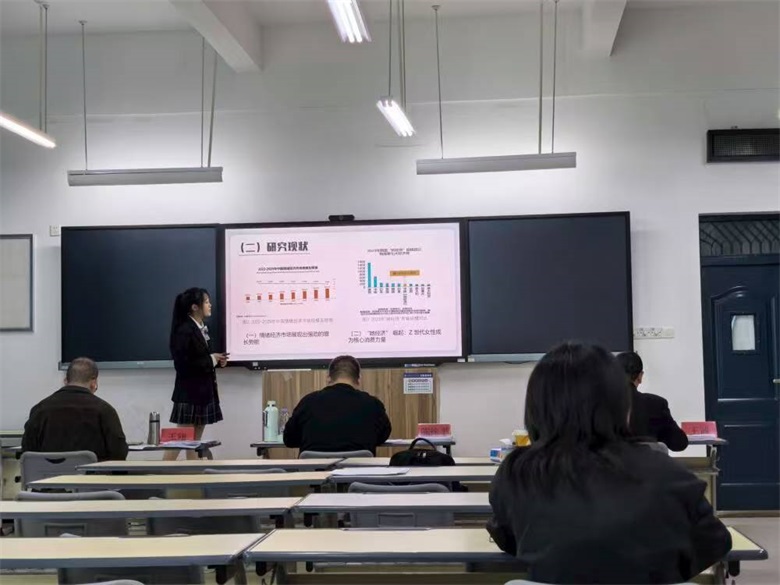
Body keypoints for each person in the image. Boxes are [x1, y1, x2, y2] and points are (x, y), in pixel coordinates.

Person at [487, 342, 731, 584]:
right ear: (620, 405)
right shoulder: (666, 473)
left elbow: (508, 539)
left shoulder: (516, 473)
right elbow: (715, 541)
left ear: (536, 407)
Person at [22, 357, 128, 461]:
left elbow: (27, 451)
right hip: (90, 473)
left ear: (65, 381)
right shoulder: (105, 410)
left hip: (47, 472)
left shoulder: (40, 409)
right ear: (94, 382)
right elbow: (119, 453)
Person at [283, 355, 392, 455]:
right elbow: (382, 436)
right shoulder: (372, 404)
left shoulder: (308, 402)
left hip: (314, 469)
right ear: (358, 379)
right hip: (360, 469)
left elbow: (289, 439)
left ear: (328, 378)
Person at [166, 287, 227, 461]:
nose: (210, 305)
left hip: (202, 392)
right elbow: (183, 364)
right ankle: (160, 471)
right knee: (182, 437)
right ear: (195, 307)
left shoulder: (199, 328)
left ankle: (194, 471)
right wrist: (211, 360)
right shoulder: (185, 330)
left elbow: (199, 357)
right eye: (206, 302)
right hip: (190, 393)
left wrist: (216, 360)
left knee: (195, 440)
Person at [617, 351, 689, 452]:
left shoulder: (599, 404)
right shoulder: (656, 405)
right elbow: (679, 443)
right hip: (646, 461)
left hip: (609, 462)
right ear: (640, 376)